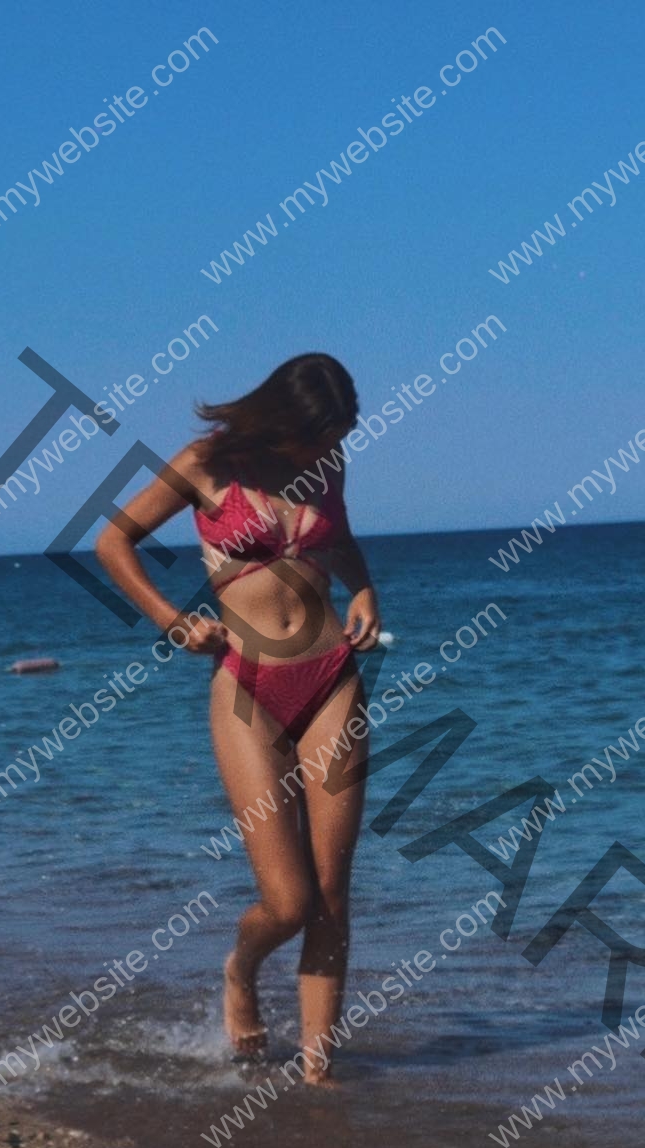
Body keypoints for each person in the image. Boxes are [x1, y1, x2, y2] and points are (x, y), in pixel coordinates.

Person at [95, 354, 381, 1085]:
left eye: (338, 438)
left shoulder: (328, 463)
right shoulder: (206, 464)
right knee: (288, 902)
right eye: (320, 436)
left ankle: (318, 1074)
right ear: (283, 420)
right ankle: (241, 970)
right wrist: (172, 621)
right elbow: (113, 541)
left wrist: (364, 588)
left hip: (332, 678)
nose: (329, 450)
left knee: (332, 893)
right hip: (246, 687)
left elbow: (338, 538)